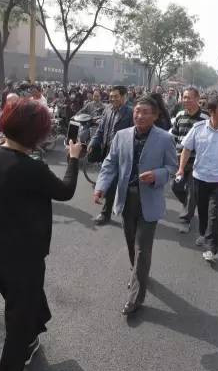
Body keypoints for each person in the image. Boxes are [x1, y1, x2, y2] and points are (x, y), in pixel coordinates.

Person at [0, 99, 82, 371]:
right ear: (38, 133)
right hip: (24, 256)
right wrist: (73, 158)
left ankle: (32, 338)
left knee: (22, 301)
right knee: (17, 322)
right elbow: (66, 191)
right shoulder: (32, 167)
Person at [93, 96, 178, 315]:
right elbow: (110, 163)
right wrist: (101, 186)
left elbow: (171, 168)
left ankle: (136, 298)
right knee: (131, 243)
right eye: (137, 111)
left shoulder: (165, 139)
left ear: (156, 115)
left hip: (149, 199)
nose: (139, 115)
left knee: (142, 248)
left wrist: (157, 175)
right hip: (126, 198)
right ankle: (138, 273)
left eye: (146, 112)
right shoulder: (121, 136)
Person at [177, 97, 218, 263]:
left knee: (215, 213)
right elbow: (187, 149)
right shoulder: (198, 128)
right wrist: (181, 168)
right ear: (211, 112)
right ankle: (204, 234)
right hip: (200, 177)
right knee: (203, 210)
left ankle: (212, 247)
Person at [88, 86, 133, 225]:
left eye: (116, 96)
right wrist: (93, 142)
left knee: (113, 182)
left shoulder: (130, 113)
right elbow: (101, 130)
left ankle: (105, 213)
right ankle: (115, 204)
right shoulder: (107, 110)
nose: (112, 99)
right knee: (109, 180)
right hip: (106, 151)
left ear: (124, 97)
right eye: (111, 96)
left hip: (122, 154)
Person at [170, 87, 209, 233]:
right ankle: (189, 206)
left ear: (197, 99)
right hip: (179, 159)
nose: (185, 100)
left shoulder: (206, 118)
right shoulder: (179, 115)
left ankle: (185, 219)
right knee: (175, 187)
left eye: (189, 97)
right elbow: (173, 136)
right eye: (184, 97)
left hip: (197, 161)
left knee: (192, 191)